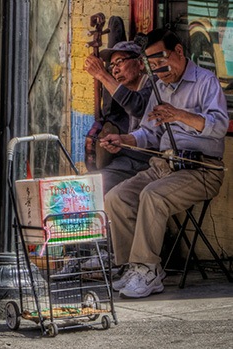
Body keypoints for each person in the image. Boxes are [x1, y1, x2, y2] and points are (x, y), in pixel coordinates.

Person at [100, 28, 228, 299]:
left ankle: (148, 269)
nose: (158, 71)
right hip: (164, 165)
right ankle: (131, 267)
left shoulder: (206, 81)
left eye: (161, 62)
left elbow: (219, 126)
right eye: (152, 66)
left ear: (179, 52)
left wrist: (180, 115)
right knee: (116, 197)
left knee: (153, 196)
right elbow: (149, 132)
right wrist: (123, 139)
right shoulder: (160, 87)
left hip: (201, 169)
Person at [84, 41, 154, 194]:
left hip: (148, 164)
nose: (115, 70)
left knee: (94, 188)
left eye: (120, 62)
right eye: (112, 66)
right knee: (85, 184)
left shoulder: (154, 86)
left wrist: (102, 75)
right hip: (126, 161)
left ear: (141, 63)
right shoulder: (127, 92)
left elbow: (137, 106)